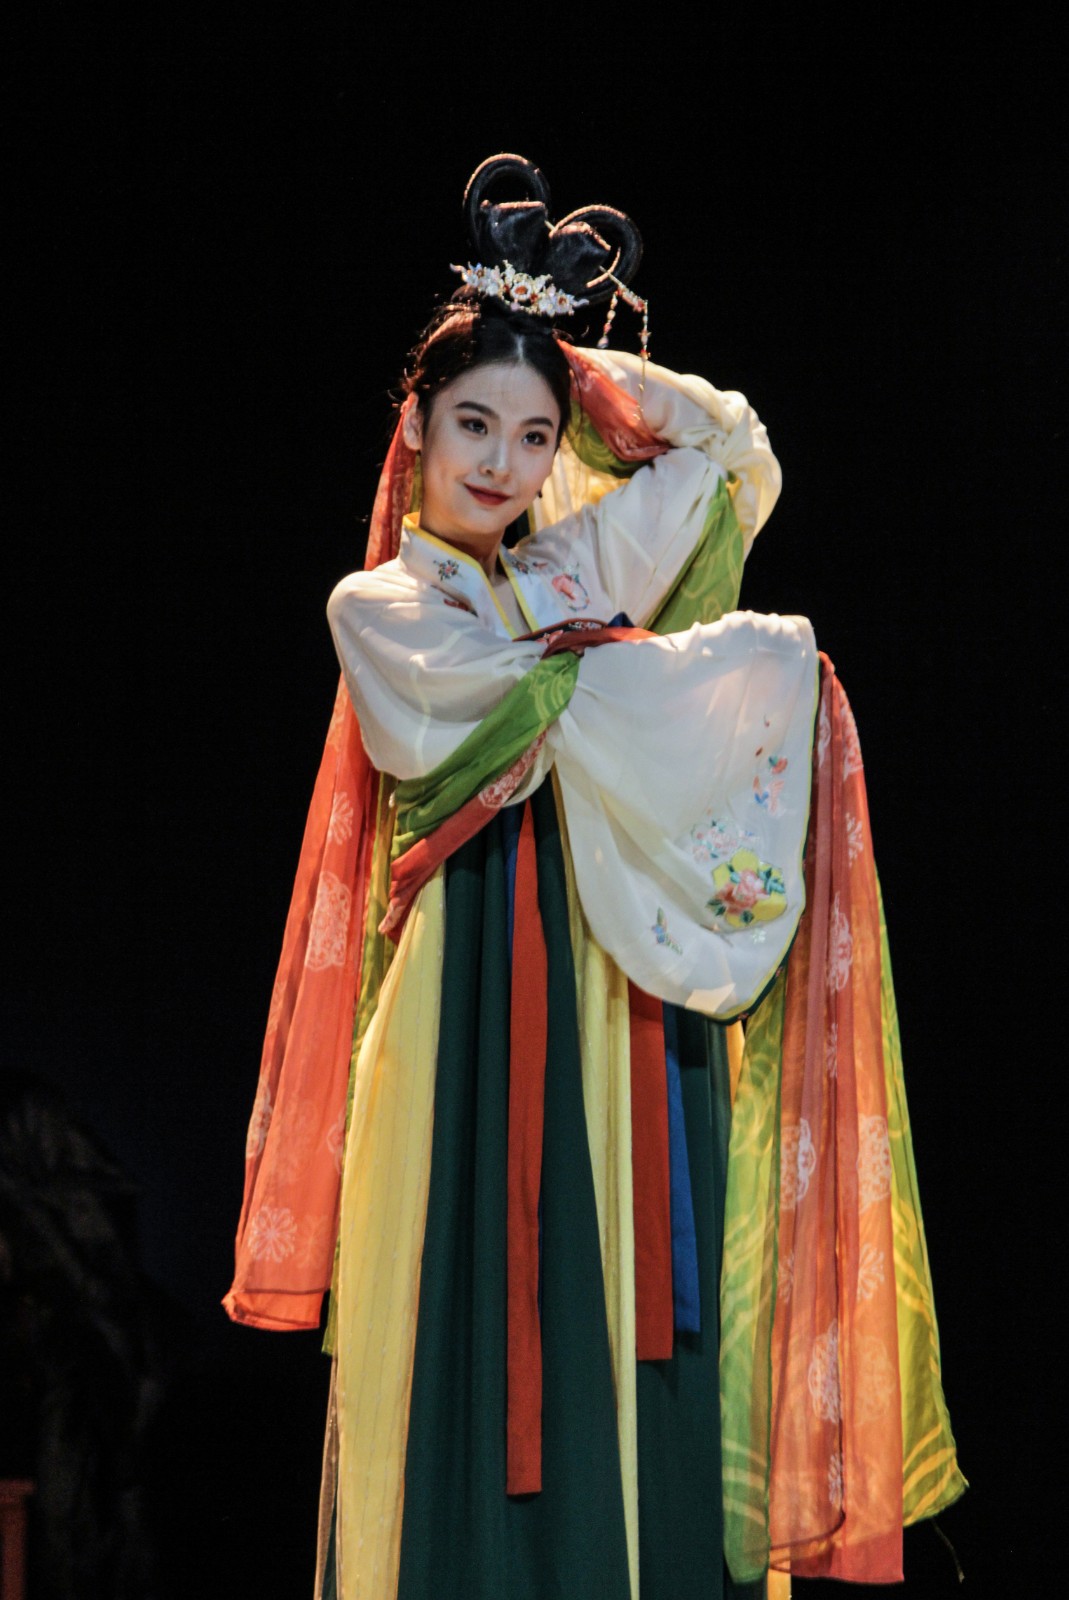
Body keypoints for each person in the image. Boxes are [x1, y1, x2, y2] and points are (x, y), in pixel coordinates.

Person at [225, 156, 964, 1600]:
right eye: (471, 425)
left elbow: (735, 462)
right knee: (465, 1300)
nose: (500, 462)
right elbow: (534, 700)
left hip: (610, 971)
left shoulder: (566, 575)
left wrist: (594, 378)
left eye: (531, 435)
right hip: (464, 998)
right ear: (416, 430)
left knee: (628, 1315)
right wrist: (696, 663)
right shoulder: (383, 607)